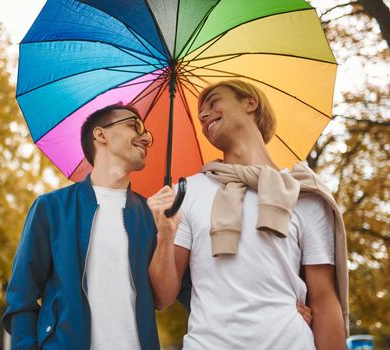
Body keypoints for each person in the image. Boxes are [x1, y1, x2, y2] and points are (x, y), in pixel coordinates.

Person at [148, 80, 349, 349]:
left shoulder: (302, 194)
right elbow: (163, 297)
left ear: (249, 103)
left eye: (214, 102)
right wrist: (164, 234)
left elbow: (324, 300)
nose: (204, 115)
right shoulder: (187, 192)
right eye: (200, 115)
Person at [2, 104, 159, 350]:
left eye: (146, 132)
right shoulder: (51, 208)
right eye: (134, 125)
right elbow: (21, 298)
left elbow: (167, 294)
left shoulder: (152, 215)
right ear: (101, 134)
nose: (145, 137)